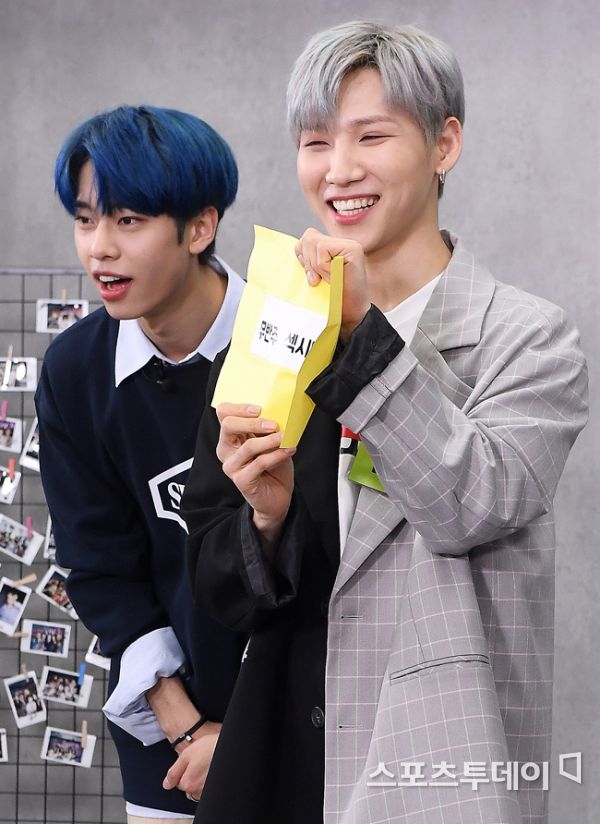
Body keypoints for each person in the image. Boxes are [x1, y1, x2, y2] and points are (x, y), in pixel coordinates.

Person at [182, 21, 588, 824]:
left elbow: (471, 500)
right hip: (281, 761)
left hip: (436, 764)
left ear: (445, 145)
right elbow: (216, 579)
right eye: (315, 142)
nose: (338, 170)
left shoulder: (528, 339)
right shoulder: (277, 327)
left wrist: (364, 339)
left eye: (371, 136)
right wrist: (265, 523)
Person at [36, 105, 245, 823]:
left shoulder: (291, 340)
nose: (99, 249)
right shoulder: (75, 370)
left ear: (199, 228)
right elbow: (98, 564)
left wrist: (246, 733)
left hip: (304, 712)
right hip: (166, 728)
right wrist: (186, 726)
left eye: (128, 221)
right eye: (86, 219)